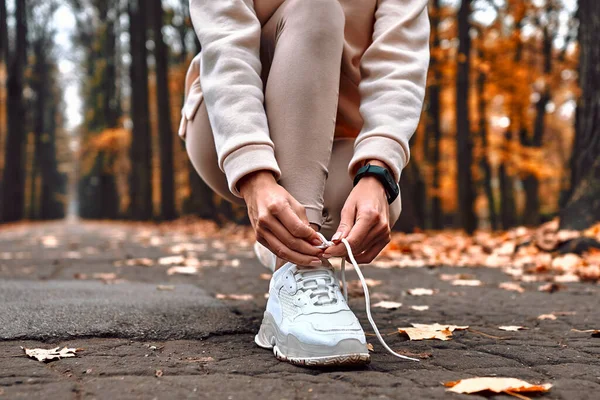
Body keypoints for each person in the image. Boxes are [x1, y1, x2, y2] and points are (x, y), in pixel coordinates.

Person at [181, 0, 430, 366]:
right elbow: (226, 45)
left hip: (331, 146)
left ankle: (291, 247)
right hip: (225, 127)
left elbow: (399, 64)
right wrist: (254, 174)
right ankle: (299, 271)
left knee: (382, 203)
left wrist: (378, 171)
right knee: (316, 5)